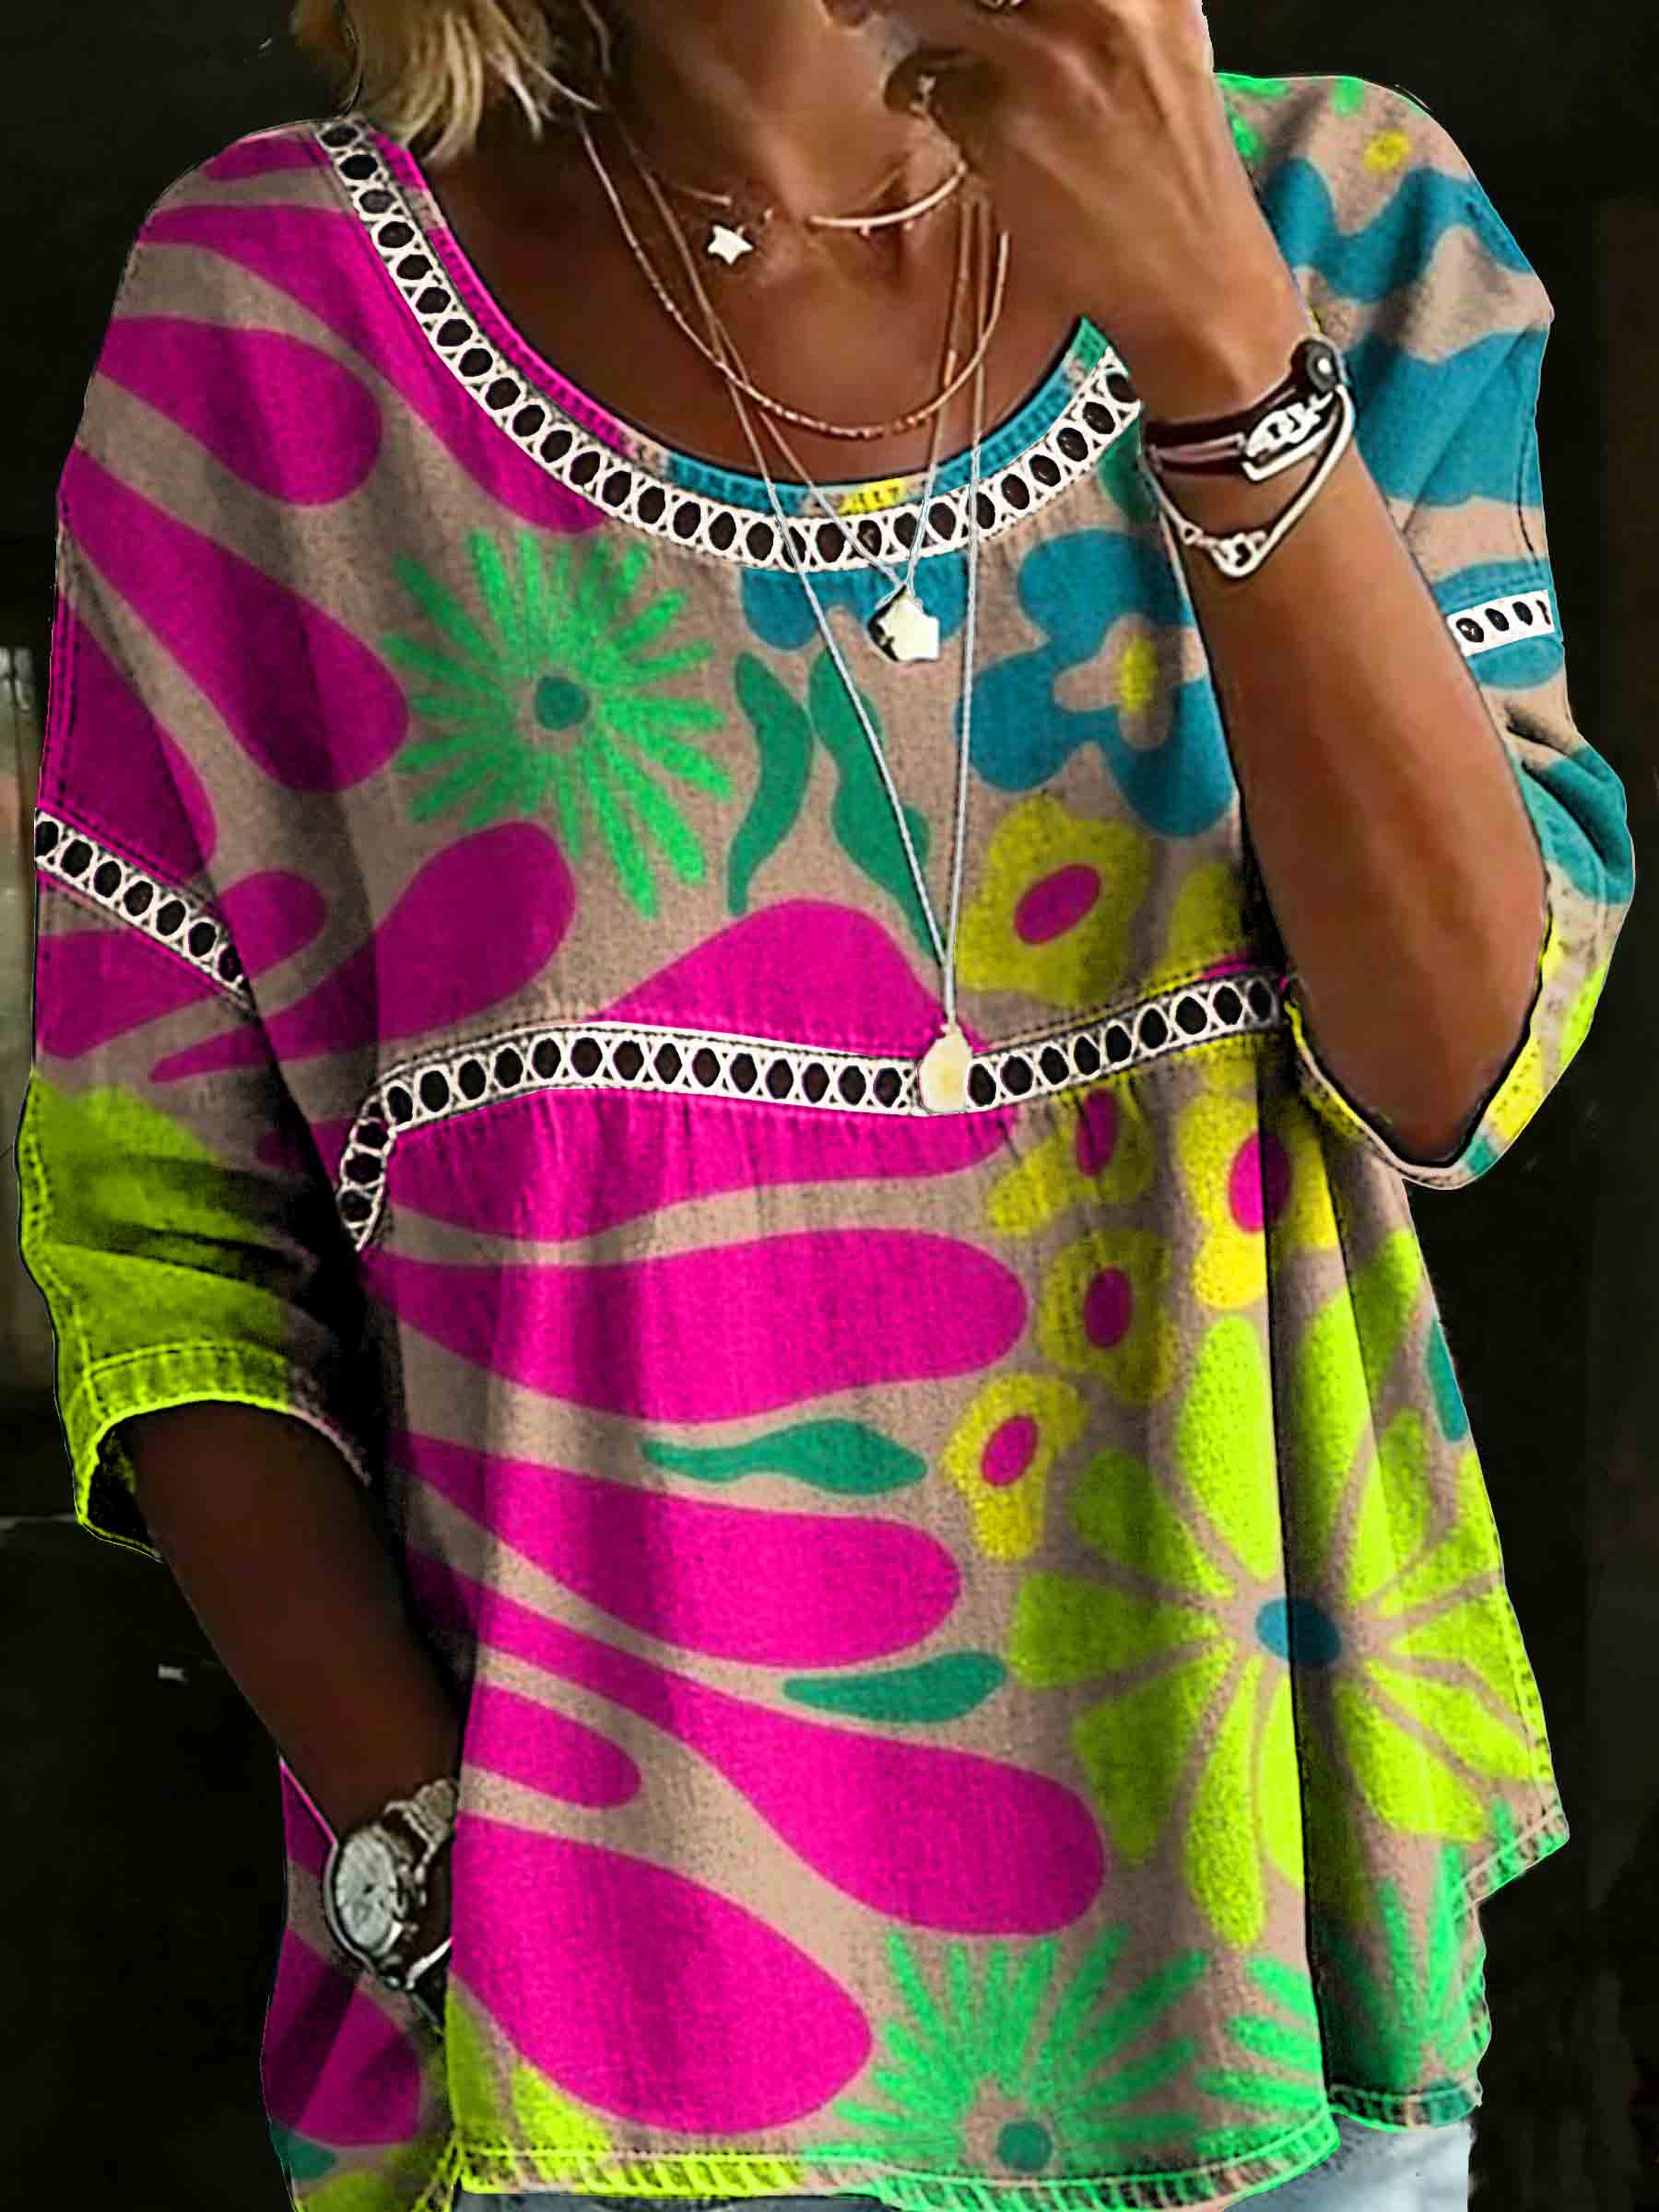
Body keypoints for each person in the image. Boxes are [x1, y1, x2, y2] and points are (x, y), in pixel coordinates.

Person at [15, 0, 1633, 2207]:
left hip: (1266, 2013)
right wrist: (437, 1871)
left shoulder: (1339, 221)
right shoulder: (277, 318)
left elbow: (1462, 1065)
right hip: (592, 2067)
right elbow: (164, 1238)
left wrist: (1219, 346)